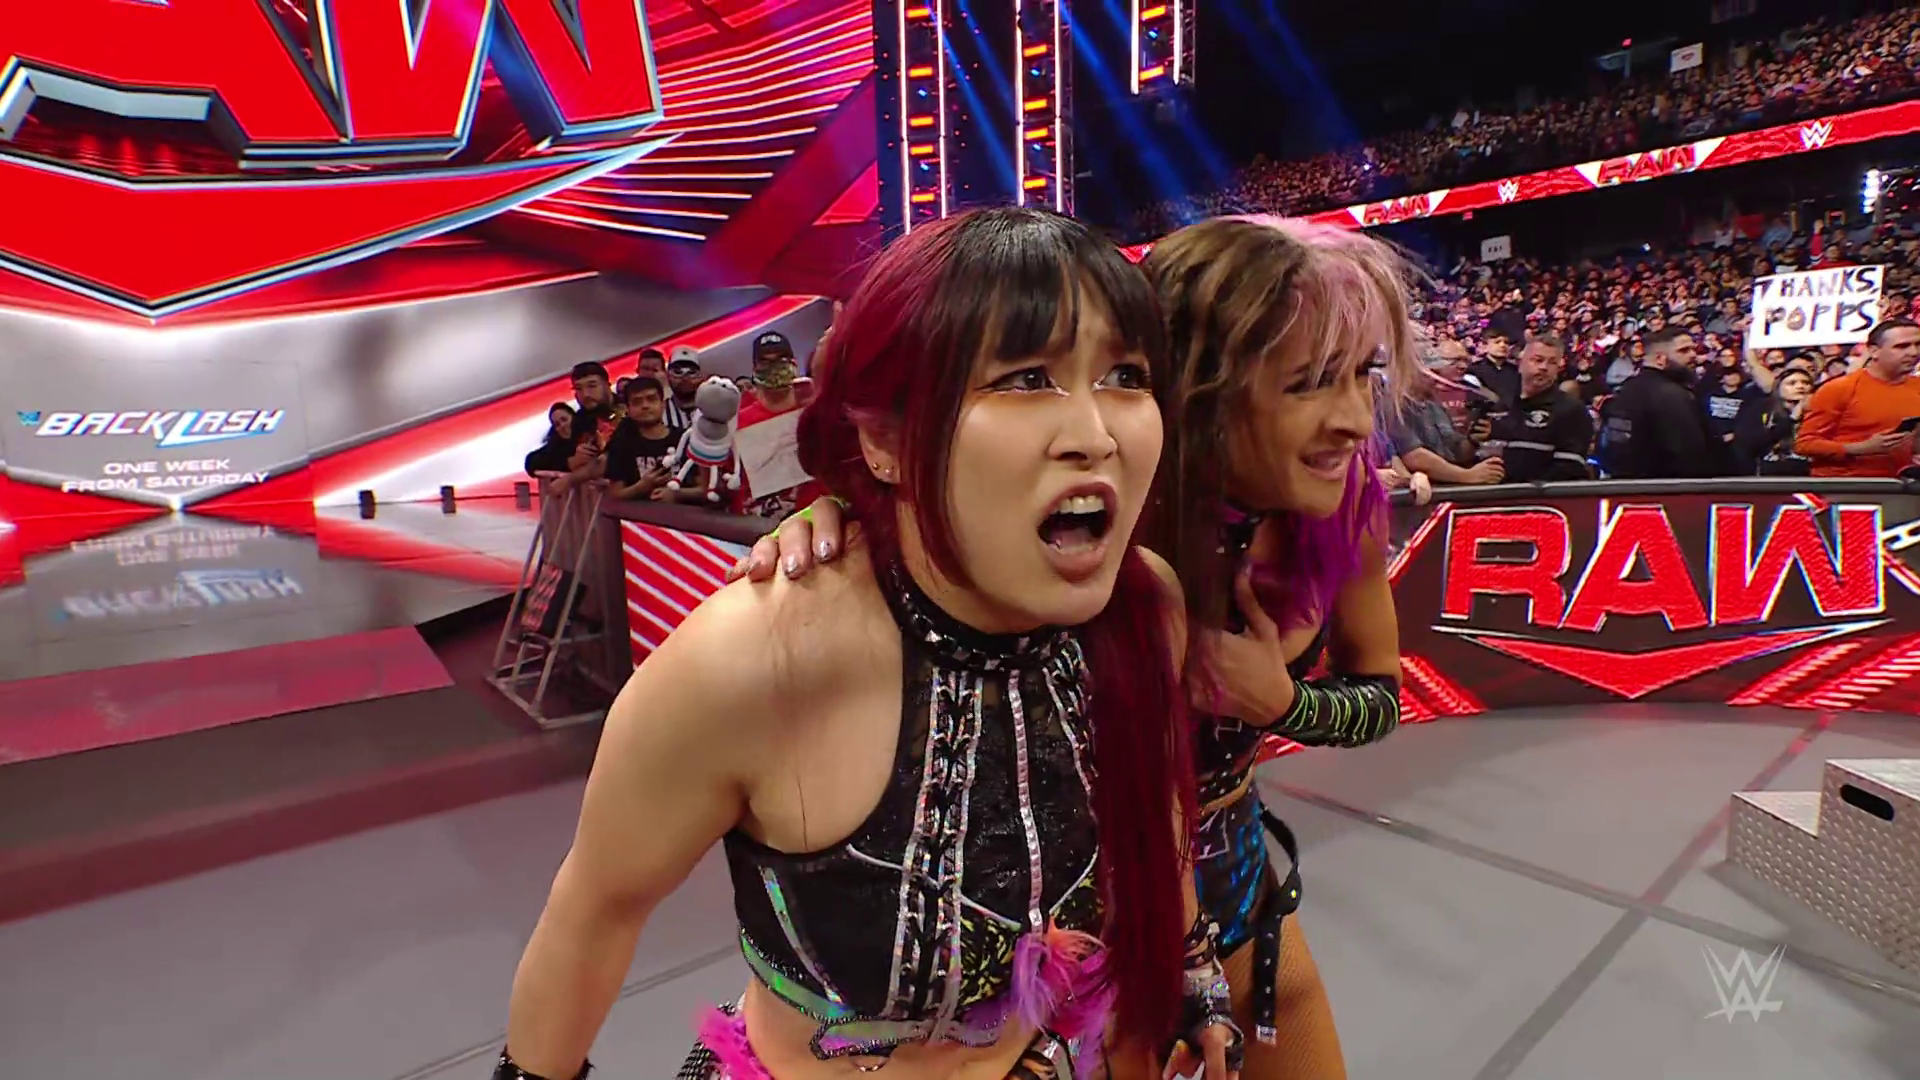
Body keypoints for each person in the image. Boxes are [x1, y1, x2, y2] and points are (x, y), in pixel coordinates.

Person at [495, 207, 1239, 1080]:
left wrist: (1193, 975)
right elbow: (593, 913)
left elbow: (1158, 814)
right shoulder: (750, 660)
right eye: (1026, 378)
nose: (1096, 435)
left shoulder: (1144, 609)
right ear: (883, 438)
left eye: (1125, 376)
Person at [746, 214, 1418, 1080]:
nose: (1357, 421)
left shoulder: (1343, 507)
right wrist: (853, 517)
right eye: (1311, 384)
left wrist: (1283, 701)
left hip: (1234, 897)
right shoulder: (1073, 525)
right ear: (1201, 389)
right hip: (1049, 957)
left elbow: (1382, 696)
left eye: (1365, 376)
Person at [1794, 316, 1920, 477]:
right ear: (1874, 351)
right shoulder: (1839, 389)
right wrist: (1861, 448)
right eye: (1902, 346)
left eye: (1918, 345)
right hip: (1847, 485)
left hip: (1903, 484)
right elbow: (1804, 444)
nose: (1914, 352)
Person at [1596, 326, 1712, 479]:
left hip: (1626, 483)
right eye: (1684, 350)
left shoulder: (1626, 389)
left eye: (1693, 349)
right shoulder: (1673, 396)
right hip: (1668, 486)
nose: (1693, 355)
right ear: (1660, 359)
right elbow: (1691, 455)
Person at [1477, 333, 1592, 482]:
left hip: (1534, 494)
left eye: (1552, 363)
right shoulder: (1500, 403)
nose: (1544, 367)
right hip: (1488, 490)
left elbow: (1569, 469)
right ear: (1520, 363)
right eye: (1538, 360)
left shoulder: (1572, 410)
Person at [602, 376, 683, 501]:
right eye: (637, 402)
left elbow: (704, 488)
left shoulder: (685, 439)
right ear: (628, 409)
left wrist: (677, 494)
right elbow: (614, 494)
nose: (645, 406)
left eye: (651, 399)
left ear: (663, 404)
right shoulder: (621, 445)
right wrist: (641, 487)